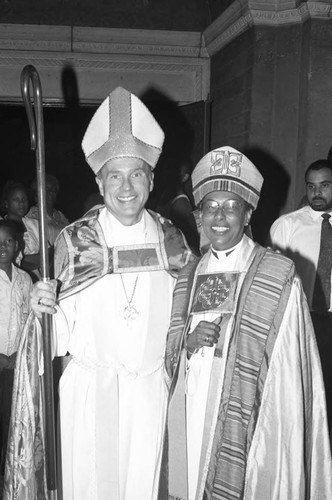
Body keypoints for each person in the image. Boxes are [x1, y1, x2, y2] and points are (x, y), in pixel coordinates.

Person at [4, 87, 193, 500]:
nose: (126, 187)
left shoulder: (172, 241)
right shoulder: (77, 240)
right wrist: (42, 312)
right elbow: (57, 336)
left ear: (152, 178)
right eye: (114, 175)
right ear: (98, 180)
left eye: (136, 174)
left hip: (149, 396)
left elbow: (187, 319)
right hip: (89, 397)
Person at [159, 146, 332, 500]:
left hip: (250, 415)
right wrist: (186, 344)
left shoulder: (276, 273)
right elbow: (168, 350)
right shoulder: (188, 273)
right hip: (193, 408)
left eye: (231, 206)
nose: (219, 217)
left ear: (248, 212)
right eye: (210, 206)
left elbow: (288, 368)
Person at [269, 158, 332, 436]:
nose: (317, 193)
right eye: (311, 186)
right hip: (304, 322)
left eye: (325, 185)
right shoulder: (287, 226)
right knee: (305, 399)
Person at [0, 220, 32, 475]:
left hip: (16, 364)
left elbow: (29, 320)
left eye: (8, 241)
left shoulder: (25, 279)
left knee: (11, 423)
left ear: (17, 245)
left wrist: (19, 355)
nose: (2, 246)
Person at [22, 173, 69, 279]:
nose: (51, 193)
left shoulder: (61, 216)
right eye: (47, 189)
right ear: (38, 192)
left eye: (54, 190)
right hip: (43, 270)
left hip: (63, 267)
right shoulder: (32, 215)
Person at [0, 180, 30, 265]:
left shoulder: (35, 224)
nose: (21, 203)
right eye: (16, 199)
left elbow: (49, 253)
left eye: (24, 199)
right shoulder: (2, 226)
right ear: (6, 203)